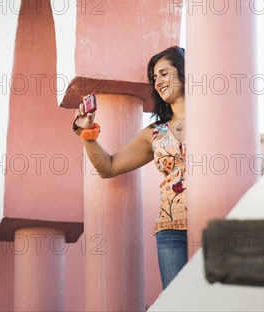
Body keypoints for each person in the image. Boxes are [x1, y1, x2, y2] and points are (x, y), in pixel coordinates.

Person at [72, 46, 187, 289]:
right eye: (155, 78)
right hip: (171, 232)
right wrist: (87, 133)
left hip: (213, 221)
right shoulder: (154, 133)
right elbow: (108, 167)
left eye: (165, 73)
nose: (159, 82)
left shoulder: (212, 116)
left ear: (185, 72)